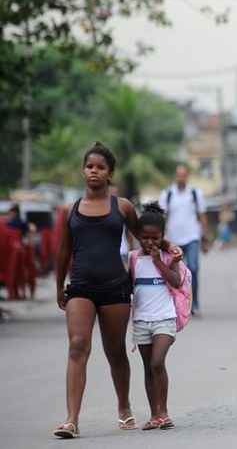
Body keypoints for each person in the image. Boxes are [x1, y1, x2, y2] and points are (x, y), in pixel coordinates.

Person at [54, 142, 181, 439]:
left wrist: (167, 248)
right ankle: (71, 419)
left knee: (115, 351)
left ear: (110, 173)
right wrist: (59, 285)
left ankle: (124, 407)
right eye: (89, 166)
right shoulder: (71, 210)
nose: (93, 172)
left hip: (115, 288)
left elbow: (144, 236)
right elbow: (63, 251)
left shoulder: (121, 206)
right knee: (77, 345)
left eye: (100, 167)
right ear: (83, 170)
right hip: (81, 286)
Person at [130, 203, 185, 431]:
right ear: (138, 237)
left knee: (157, 362)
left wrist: (158, 261)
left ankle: (164, 412)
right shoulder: (133, 258)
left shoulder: (169, 256)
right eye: (145, 238)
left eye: (155, 238)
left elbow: (176, 281)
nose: (150, 242)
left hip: (165, 319)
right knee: (147, 367)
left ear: (162, 237)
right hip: (142, 320)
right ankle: (155, 415)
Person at [159, 165, 208, 315]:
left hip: (192, 237)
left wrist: (204, 237)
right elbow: (161, 218)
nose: (181, 178)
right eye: (178, 175)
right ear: (175, 176)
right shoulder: (167, 194)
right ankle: (177, 304)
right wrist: (161, 239)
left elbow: (202, 216)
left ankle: (195, 304)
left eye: (184, 175)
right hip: (173, 240)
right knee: (175, 274)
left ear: (187, 176)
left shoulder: (195, 193)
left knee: (193, 268)